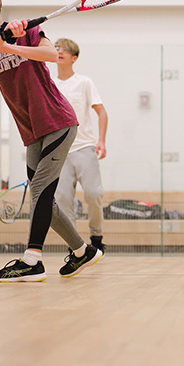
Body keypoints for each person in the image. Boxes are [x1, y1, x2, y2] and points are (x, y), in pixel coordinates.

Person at [0, 0, 103, 282]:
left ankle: (32, 260)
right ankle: (81, 252)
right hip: (31, 131)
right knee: (45, 201)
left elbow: (50, 56)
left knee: (38, 192)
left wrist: (12, 42)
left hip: (58, 121)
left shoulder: (30, 32)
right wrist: (3, 38)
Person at [53, 38, 108, 252]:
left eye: (64, 50)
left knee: (94, 194)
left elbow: (101, 112)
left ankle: (96, 238)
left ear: (74, 58)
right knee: (62, 199)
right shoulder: (50, 84)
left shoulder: (84, 82)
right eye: (56, 48)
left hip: (85, 147)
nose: (59, 52)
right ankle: (75, 245)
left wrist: (101, 141)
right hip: (60, 151)